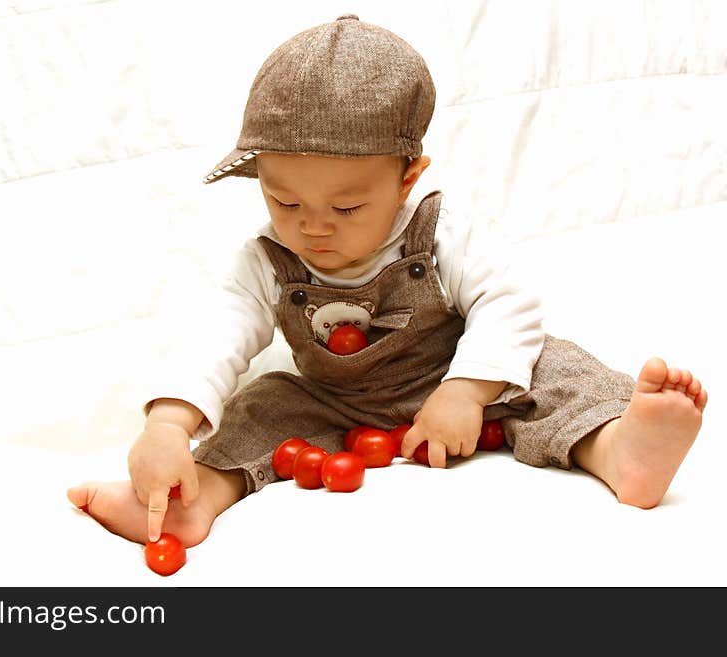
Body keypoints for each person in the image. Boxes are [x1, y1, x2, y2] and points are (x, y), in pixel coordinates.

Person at [67, 14, 707, 547]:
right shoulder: (266, 259)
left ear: (407, 178)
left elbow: (508, 301)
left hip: (461, 378)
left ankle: (618, 447)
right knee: (261, 405)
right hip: (336, 401)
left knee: (553, 368)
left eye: (346, 209)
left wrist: (465, 391)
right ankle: (193, 500)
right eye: (284, 201)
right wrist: (168, 426)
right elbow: (218, 333)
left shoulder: (439, 230)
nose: (313, 229)